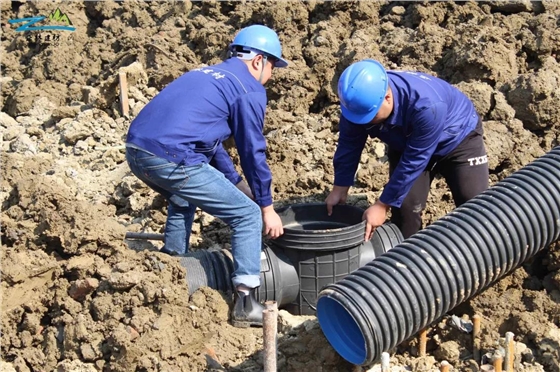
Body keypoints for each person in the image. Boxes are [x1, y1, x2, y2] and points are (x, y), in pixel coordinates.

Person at [125, 24, 287, 328]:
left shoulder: (207, 74)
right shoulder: (248, 88)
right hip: (170, 157)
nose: (271, 75)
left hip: (137, 150)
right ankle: (246, 302)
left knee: (182, 195)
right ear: (258, 61)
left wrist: (238, 185)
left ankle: (173, 262)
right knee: (247, 215)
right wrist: (264, 206)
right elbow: (253, 152)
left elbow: (208, 147)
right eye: (272, 67)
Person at [326, 59, 489, 240]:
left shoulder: (426, 105)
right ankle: (405, 261)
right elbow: (349, 144)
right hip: (406, 141)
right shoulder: (357, 104)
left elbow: (415, 160)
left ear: (387, 97)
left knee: (474, 207)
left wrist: (382, 205)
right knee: (405, 211)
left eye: (370, 117)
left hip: (458, 140)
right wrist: (340, 187)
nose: (363, 122)